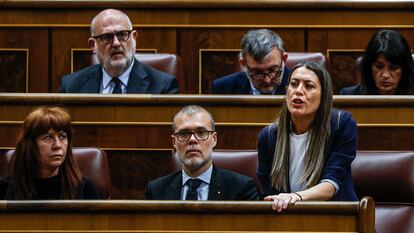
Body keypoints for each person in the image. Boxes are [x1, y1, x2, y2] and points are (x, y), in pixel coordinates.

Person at [257, 61, 358, 212]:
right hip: (287, 220)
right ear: (286, 93)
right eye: (294, 84)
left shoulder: (341, 125)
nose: (298, 91)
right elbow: (269, 192)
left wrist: (295, 197)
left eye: (308, 86)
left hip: (338, 218)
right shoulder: (269, 136)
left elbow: (330, 185)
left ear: (324, 96)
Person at [145, 105, 258, 200]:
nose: (192, 140)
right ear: (174, 142)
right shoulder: (156, 191)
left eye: (201, 132)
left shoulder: (241, 188)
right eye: (184, 134)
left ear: (214, 139)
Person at [61, 9, 179, 94]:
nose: (116, 43)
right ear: (93, 45)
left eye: (122, 35)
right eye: (107, 37)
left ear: (134, 38)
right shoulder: (72, 86)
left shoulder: (163, 86)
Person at [4, 107, 100, 200]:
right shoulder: (6, 188)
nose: (57, 145)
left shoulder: (85, 189)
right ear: (31, 145)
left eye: (62, 137)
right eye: (48, 137)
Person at [212, 29, 290, 95]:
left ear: (284, 59)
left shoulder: (300, 86)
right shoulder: (223, 89)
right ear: (243, 63)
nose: (267, 80)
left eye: (273, 70)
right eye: (258, 72)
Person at [340, 29, 414, 95]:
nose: (385, 75)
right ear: (369, 67)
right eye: (379, 67)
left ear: (404, 69)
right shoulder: (349, 95)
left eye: (393, 68)